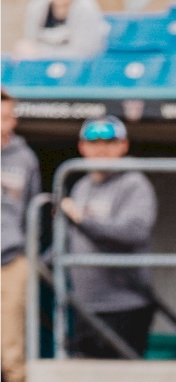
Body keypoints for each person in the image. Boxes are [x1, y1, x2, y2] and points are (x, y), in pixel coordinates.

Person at [60, 115, 157, 358]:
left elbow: (134, 232)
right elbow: (73, 238)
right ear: (82, 147)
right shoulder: (81, 186)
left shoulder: (135, 184)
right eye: (93, 142)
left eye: (109, 141)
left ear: (123, 145)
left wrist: (82, 219)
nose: (101, 148)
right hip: (84, 306)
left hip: (125, 306)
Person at [1, 89, 41, 382]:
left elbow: (33, 210)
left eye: (6, 116)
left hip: (10, 261)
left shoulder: (25, 157)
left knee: (12, 351)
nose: (3, 124)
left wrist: (27, 253)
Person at [14, 0, 109, 59]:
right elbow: (30, 46)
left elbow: (84, 53)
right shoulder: (36, 7)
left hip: (77, 75)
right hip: (41, 71)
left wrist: (42, 54)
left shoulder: (86, 8)